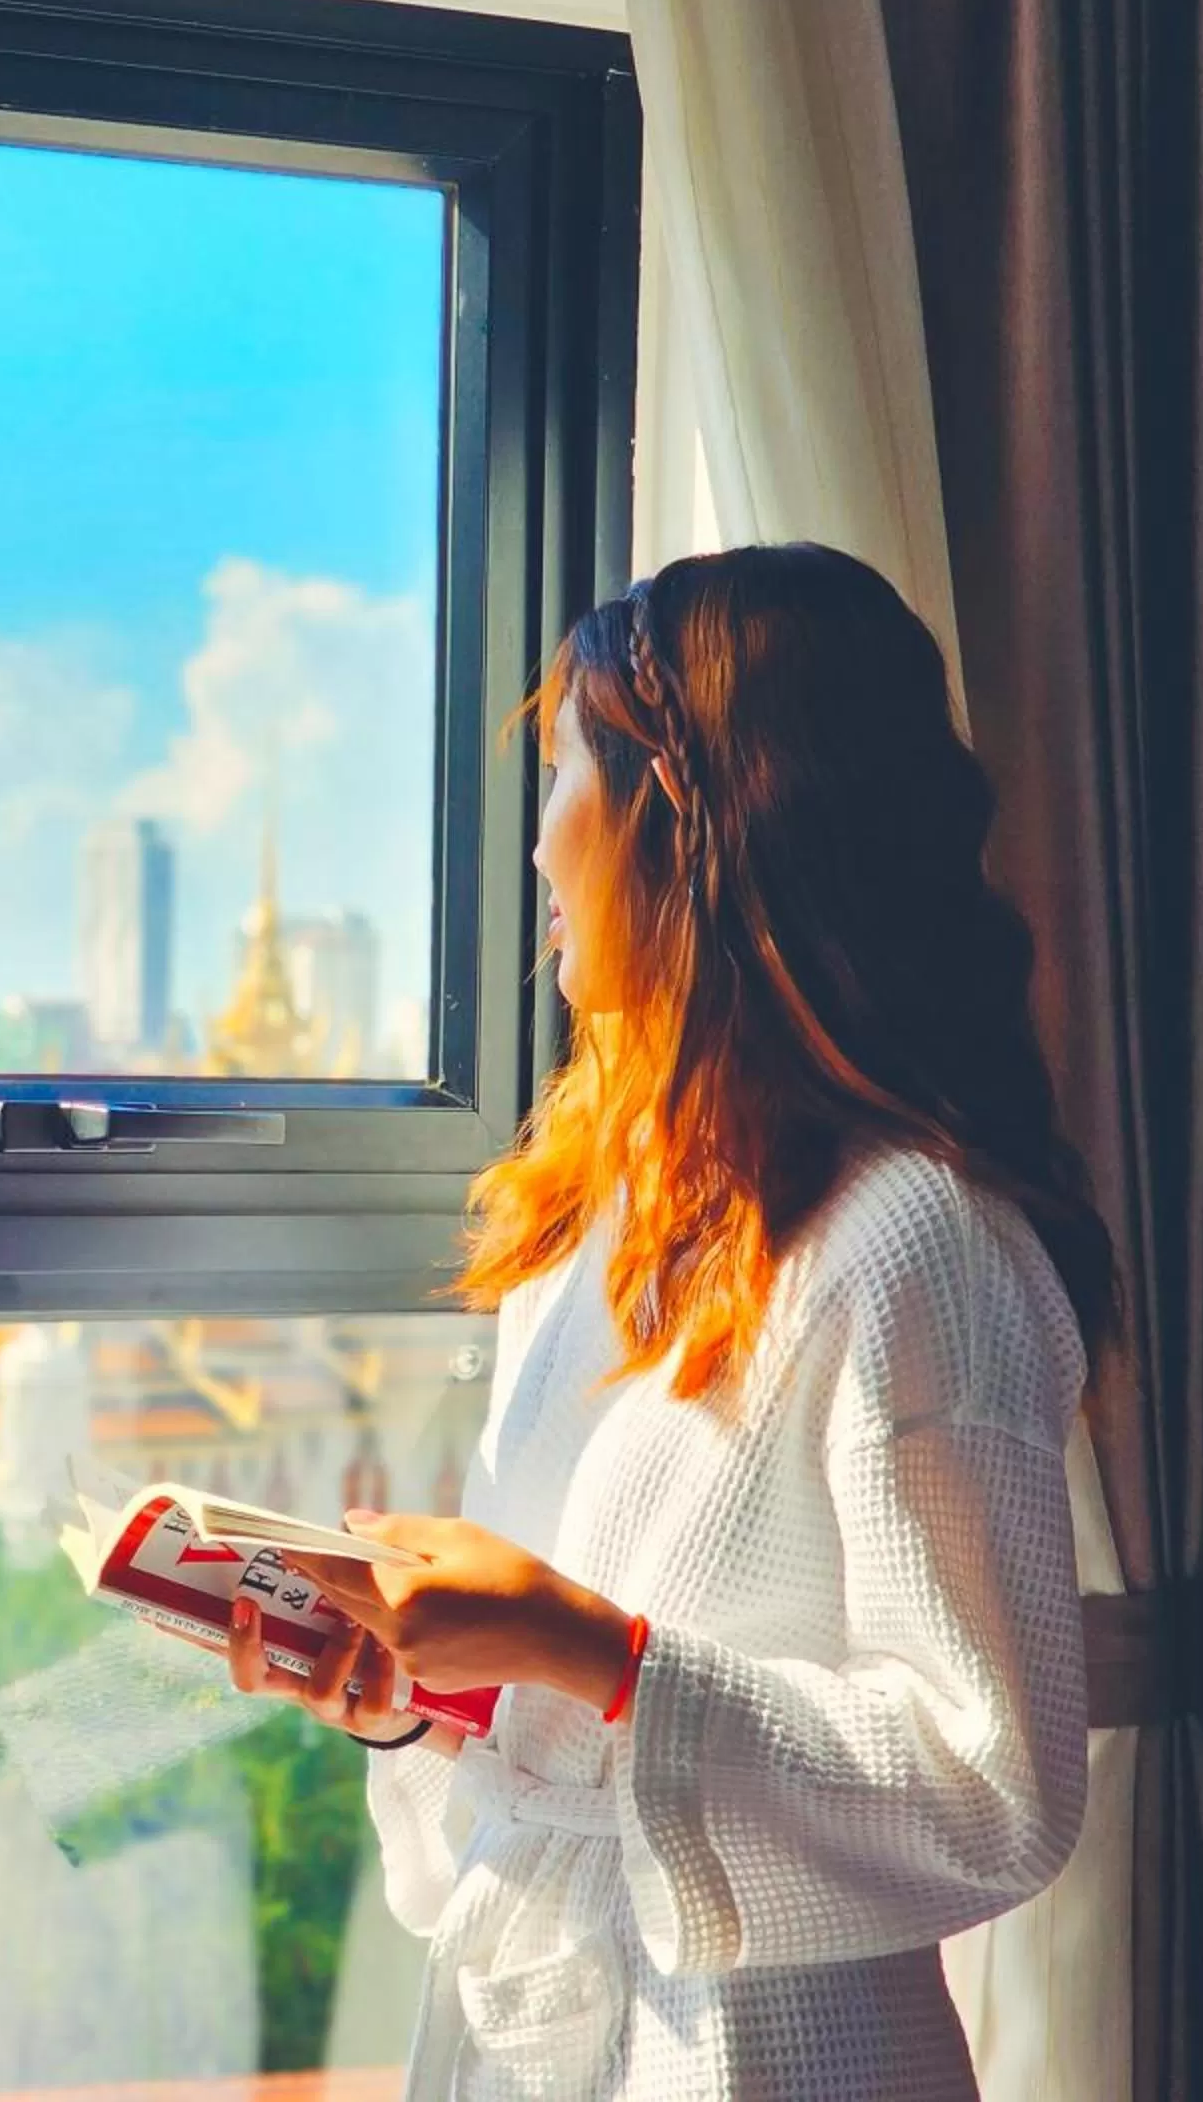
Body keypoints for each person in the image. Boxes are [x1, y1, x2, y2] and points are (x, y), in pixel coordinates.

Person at [229, 544, 1107, 2099]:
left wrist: (594, 1649)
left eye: (563, 773)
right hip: (538, 2039)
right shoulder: (600, 1223)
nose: (536, 846)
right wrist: (420, 1700)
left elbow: (996, 1792)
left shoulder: (918, 1247)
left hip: (777, 2060)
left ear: (681, 821)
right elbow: (569, 1750)